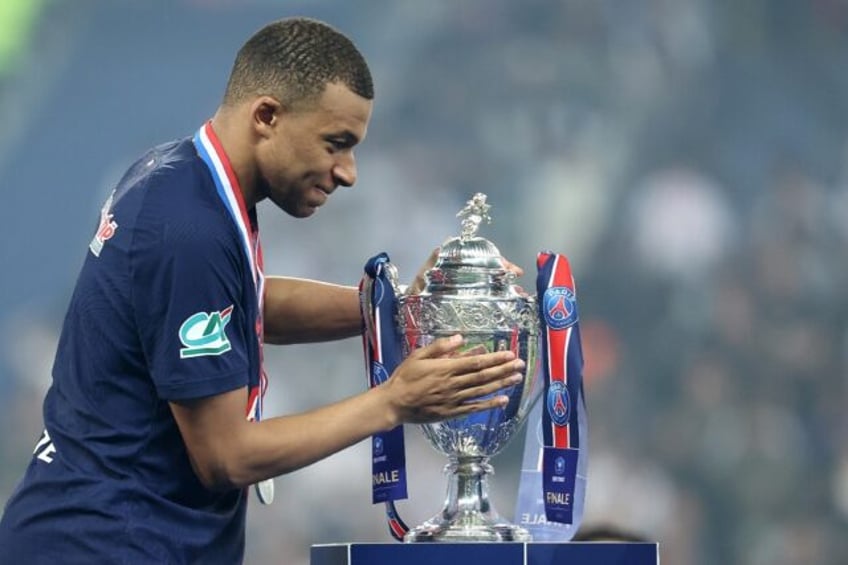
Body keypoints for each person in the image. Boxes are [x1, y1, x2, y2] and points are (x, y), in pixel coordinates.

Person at [0, 17, 525, 563]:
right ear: (267, 117)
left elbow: (243, 303)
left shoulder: (182, 178)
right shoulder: (188, 228)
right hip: (106, 545)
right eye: (336, 143)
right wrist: (393, 403)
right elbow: (225, 457)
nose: (348, 172)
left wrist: (387, 310)